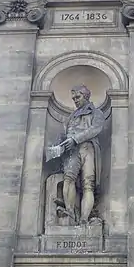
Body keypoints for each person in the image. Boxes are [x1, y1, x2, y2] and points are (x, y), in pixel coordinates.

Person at [59, 85, 105, 225]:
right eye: (73, 98)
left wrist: (75, 139)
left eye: (77, 97)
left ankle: (84, 218)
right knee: (68, 178)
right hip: (72, 150)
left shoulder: (96, 113)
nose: (75, 100)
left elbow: (95, 129)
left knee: (88, 183)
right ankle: (70, 212)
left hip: (88, 148)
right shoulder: (71, 117)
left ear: (86, 96)